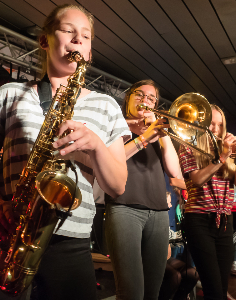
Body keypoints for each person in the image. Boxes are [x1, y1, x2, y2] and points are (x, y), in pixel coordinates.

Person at [0, 4, 131, 300]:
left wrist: (97, 146)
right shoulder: (9, 93)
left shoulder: (107, 106)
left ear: (88, 51)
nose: (78, 40)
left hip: (71, 243)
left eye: (86, 36)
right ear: (45, 40)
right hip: (8, 235)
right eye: (68, 31)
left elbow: (117, 185)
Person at [104, 80, 183, 300]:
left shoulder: (158, 132)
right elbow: (111, 159)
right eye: (139, 95)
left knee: (152, 292)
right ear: (128, 98)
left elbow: (175, 171)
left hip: (158, 213)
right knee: (131, 293)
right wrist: (145, 137)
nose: (144, 101)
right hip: (124, 209)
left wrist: (162, 134)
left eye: (151, 98)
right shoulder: (116, 123)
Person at [178, 103, 236, 300]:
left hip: (225, 221)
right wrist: (223, 156)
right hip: (199, 220)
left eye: (220, 125)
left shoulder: (226, 150)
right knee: (213, 288)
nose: (216, 129)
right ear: (201, 124)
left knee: (221, 286)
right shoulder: (188, 146)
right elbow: (197, 179)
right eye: (211, 124)